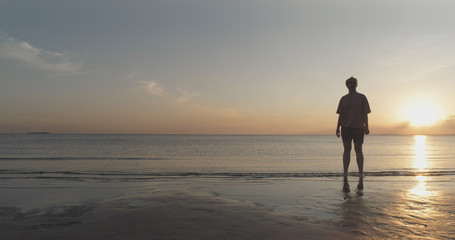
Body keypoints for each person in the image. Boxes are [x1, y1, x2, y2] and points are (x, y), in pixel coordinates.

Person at [336, 76, 371, 179]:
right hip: (346, 127)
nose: (352, 84)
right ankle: (345, 173)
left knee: (358, 150)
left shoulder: (362, 97)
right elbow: (340, 115)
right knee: (347, 150)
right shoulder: (343, 99)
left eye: (354, 82)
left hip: (358, 128)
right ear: (347, 85)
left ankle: (360, 173)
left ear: (357, 84)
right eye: (350, 83)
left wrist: (366, 127)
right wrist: (337, 128)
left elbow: (365, 114)